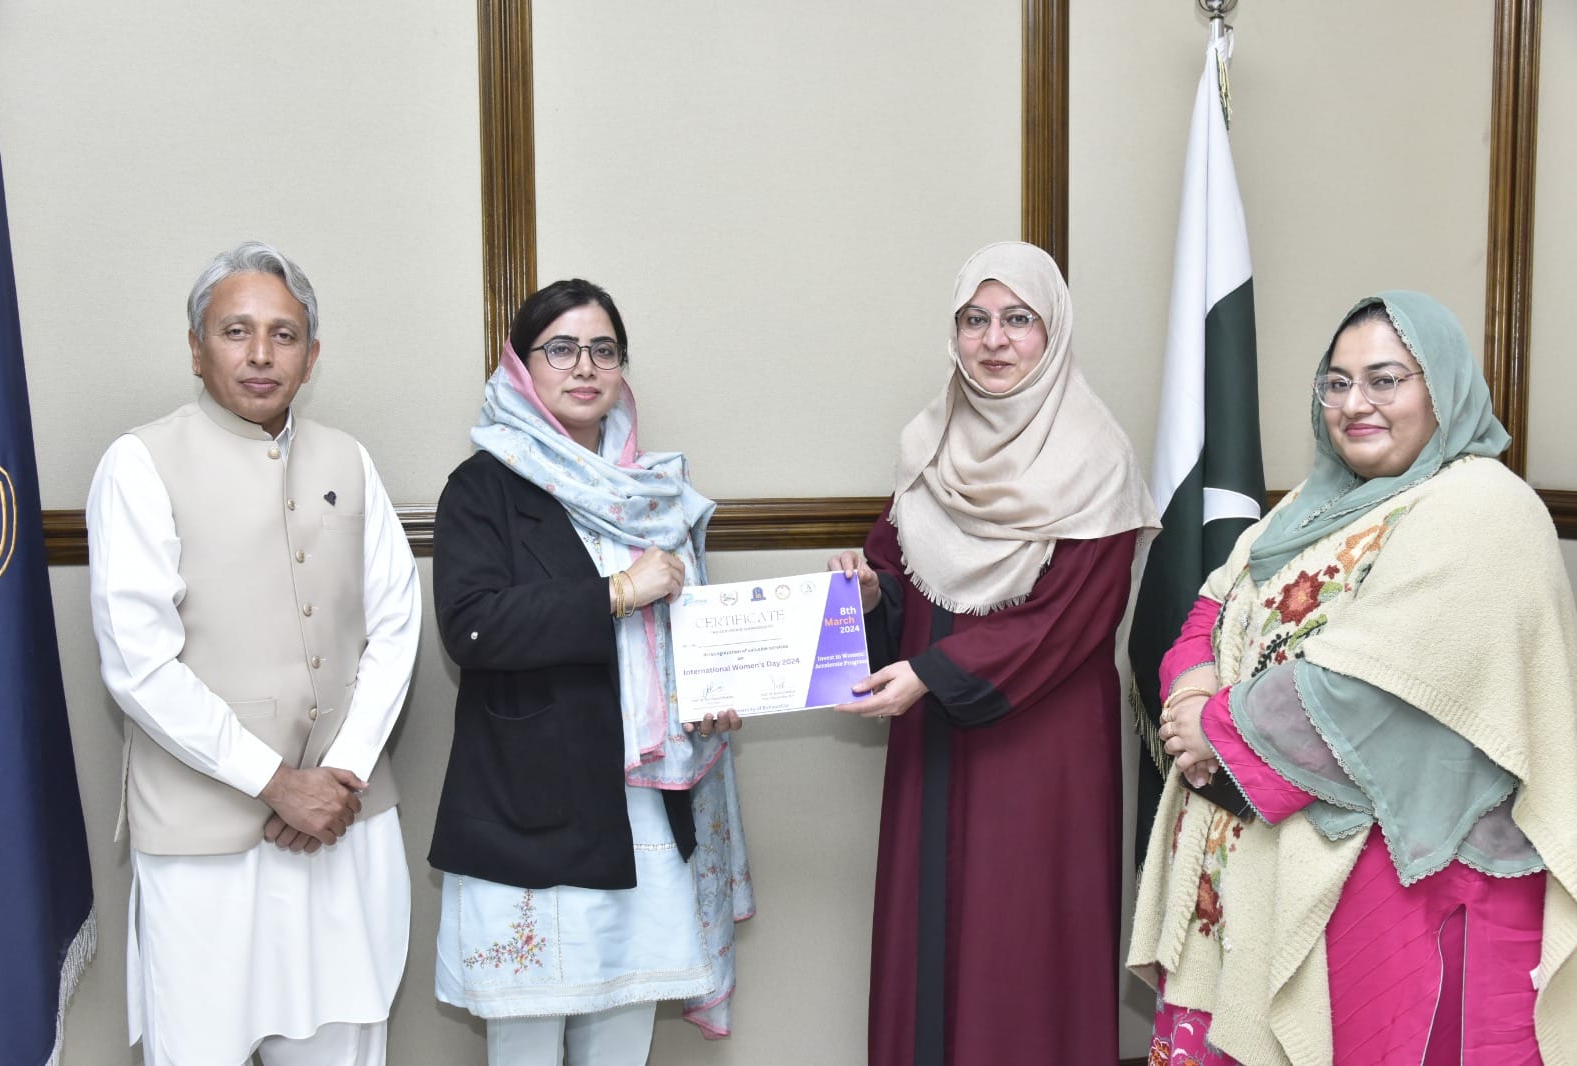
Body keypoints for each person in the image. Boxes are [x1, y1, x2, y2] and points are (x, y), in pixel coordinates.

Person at [1129, 291, 1577, 1062]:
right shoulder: (1311, 506)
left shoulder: (1485, 506)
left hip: (1407, 893)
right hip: (1256, 876)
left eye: (1385, 380)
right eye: (1337, 383)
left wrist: (1211, 729)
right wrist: (1193, 687)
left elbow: (1369, 691)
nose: (1355, 404)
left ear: (1442, 388)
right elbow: (1210, 610)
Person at [86, 241, 420, 1065]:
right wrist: (276, 783)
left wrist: (340, 776)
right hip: (204, 845)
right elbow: (139, 663)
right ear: (196, 348)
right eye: (236, 331)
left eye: (284, 333)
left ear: (312, 354)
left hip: (342, 826)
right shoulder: (139, 463)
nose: (262, 353)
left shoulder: (349, 459)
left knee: (344, 1040)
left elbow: (396, 623)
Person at [827, 241, 1159, 1064]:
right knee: (932, 938)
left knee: (1021, 947)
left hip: (1042, 754)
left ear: (1054, 331)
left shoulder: (1096, 458)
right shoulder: (932, 443)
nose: (994, 340)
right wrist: (870, 595)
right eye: (974, 320)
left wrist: (933, 673)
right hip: (932, 740)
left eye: (1018, 319)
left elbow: (1071, 619)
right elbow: (898, 569)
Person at [428, 278, 754, 1065]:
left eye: (603, 350)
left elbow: (685, 638)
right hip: (530, 810)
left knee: (622, 1038)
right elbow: (472, 627)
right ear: (520, 366)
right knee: (527, 1043)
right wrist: (615, 592)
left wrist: (708, 697)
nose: (584, 367)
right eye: (562, 349)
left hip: (643, 810)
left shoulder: (656, 495)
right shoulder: (482, 486)